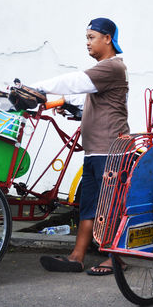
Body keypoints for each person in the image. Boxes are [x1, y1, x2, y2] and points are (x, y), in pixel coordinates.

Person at [35, 17, 129, 276]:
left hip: (111, 151)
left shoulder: (112, 67)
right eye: (86, 38)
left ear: (107, 38)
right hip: (94, 152)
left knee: (110, 206)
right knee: (88, 204)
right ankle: (76, 257)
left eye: (91, 37)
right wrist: (58, 103)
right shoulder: (101, 74)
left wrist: (38, 88)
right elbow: (80, 98)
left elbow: (76, 82)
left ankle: (116, 258)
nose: (87, 43)